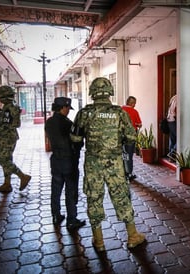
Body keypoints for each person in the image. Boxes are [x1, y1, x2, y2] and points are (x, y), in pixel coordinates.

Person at [70, 77, 146, 252]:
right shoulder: (120, 113)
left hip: (93, 163)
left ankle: (99, 241)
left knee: (94, 197)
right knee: (121, 196)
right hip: (115, 163)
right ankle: (133, 236)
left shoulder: (84, 113)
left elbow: (75, 139)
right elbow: (131, 137)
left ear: (93, 93)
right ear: (110, 92)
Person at [45, 97, 86, 231]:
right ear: (63, 107)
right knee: (71, 190)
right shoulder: (68, 124)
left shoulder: (49, 122)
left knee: (56, 190)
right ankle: (71, 220)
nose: (68, 111)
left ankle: (56, 215)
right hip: (69, 161)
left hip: (56, 160)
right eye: (68, 108)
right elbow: (77, 141)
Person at [0, 85, 31, 193]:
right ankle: (7, 184)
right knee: (7, 160)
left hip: (7, 137)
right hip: (8, 137)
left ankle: (23, 176)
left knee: (3, 160)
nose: (0, 99)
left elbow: (10, 125)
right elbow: (7, 122)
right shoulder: (10, 106)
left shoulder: (9, 107)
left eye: (0, 96)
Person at [121, 96, 142, 181]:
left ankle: (122, 173)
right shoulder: (134, 111)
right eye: (134, 103)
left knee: (122, 154)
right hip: (130, 136)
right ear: (132, 103)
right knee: (129, 155)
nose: (135, 105)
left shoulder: (120, 110)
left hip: (120, 136)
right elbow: (139, 124)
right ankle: (129, 173)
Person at [167, 94, 177, 158]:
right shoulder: (180, 98)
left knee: (172, 138)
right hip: (174, 120)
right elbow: (176, 110)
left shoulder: (173, 97)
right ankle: (171, 153)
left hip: (169, 119)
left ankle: (171, 156)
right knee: (180, 138)